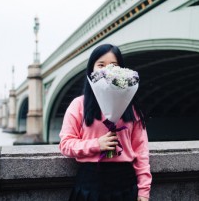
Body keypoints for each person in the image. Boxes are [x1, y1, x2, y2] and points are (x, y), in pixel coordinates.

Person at [59, 44, 152, 201]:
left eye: (113, 66)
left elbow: (141, 151)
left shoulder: (131, 108)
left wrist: (144, 191)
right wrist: (97, 145)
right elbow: (65, 144)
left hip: (124, 183)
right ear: (91, 70)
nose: (107, 70)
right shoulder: (78, 104)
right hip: (90, 183)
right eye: (101, 65)